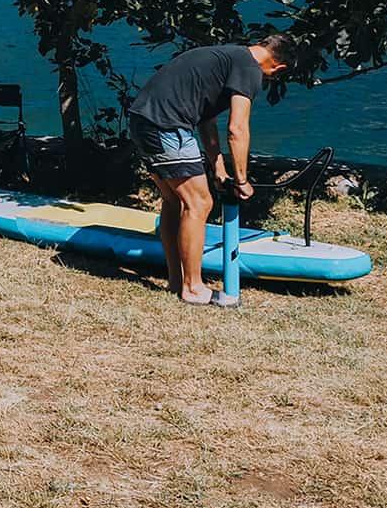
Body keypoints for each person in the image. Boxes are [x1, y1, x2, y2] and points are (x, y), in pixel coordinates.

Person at [126, 34, 295, 307]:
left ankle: (177, 281)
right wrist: (241, 179)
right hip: (166, 124)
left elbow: (206, 120)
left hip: (142, 119)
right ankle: (193, 288)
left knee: (174, 201)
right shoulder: (250, 68)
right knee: (199, 202)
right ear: (279, 68)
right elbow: (237, 129)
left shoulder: (229, 56)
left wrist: (218, 167)